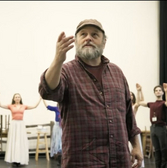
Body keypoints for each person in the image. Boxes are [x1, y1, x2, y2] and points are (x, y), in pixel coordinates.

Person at [38, 19, 143, 168]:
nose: (88, 38)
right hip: (82, 161)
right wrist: (58, 60)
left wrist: (136, 145)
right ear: (76, 41)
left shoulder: (117, 73)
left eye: (94, 35)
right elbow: (48, 91)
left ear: (104, 42)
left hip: (119, 159)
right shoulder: (66, 71)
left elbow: (128, 115)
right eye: (83, 34)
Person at [0, 92, 41, 167]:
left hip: (21, 124)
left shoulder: (24, 106)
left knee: (20, 141)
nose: (17, 98)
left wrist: (40, 98)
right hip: (14, 124)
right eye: (16, 97)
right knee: (14, 141)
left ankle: (20, 159)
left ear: (20, 98)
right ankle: (14, 159)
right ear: (13, 99)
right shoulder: (11, 106)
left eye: (18, 97)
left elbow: (34, 106)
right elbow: (0, 105)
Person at [137, 83, 167, 168]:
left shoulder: (163, 103)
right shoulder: (151, 104)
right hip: (153, 128)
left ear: (162, 93)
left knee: (163, 149)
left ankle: (163, 166)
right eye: (156, 90)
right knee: (157, 150)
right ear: (154, 93)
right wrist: (140, 91)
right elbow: (140, 102)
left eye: (159, 90)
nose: (158, 92)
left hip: (161, 128)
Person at [42, 99, 62, 166]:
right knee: (57, 142)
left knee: (62, 142)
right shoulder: (56, 109)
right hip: (57, 127)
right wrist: (43, 99)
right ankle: (59, 158)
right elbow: (48, 106)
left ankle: (63, 157)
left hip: (64, 126)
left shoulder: (66, 109)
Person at [129, 90, 145, 168]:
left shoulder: (134, 106)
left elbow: (139, 102)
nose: (130, 95)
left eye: (131, 94)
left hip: (132, 128)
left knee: (135, 146)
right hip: (125, 129)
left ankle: (136, 163)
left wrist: (139, 91)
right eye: (129, 94)